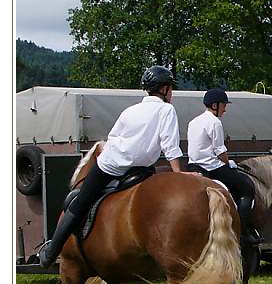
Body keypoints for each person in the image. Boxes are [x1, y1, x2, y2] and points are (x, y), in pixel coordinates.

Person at [39, 66, 184, 268]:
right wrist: (178, 174)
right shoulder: (167, 110)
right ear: (165, 89)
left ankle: (51, 250)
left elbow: (113, 137)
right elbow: (170, 144)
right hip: (140, 170)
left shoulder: (130, 111)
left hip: (110, 165)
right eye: (171, 88)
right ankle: (53, 250)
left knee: (81, 202)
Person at [187, 88, 261, 246]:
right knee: (247, 188)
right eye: (223, 105)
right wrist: (229, 164)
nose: (225, 109)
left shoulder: (193, 122)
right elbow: (220, 151)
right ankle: (242, 232)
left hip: (193, 166)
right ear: (215, 105)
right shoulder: (214, 122)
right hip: (211, 167)